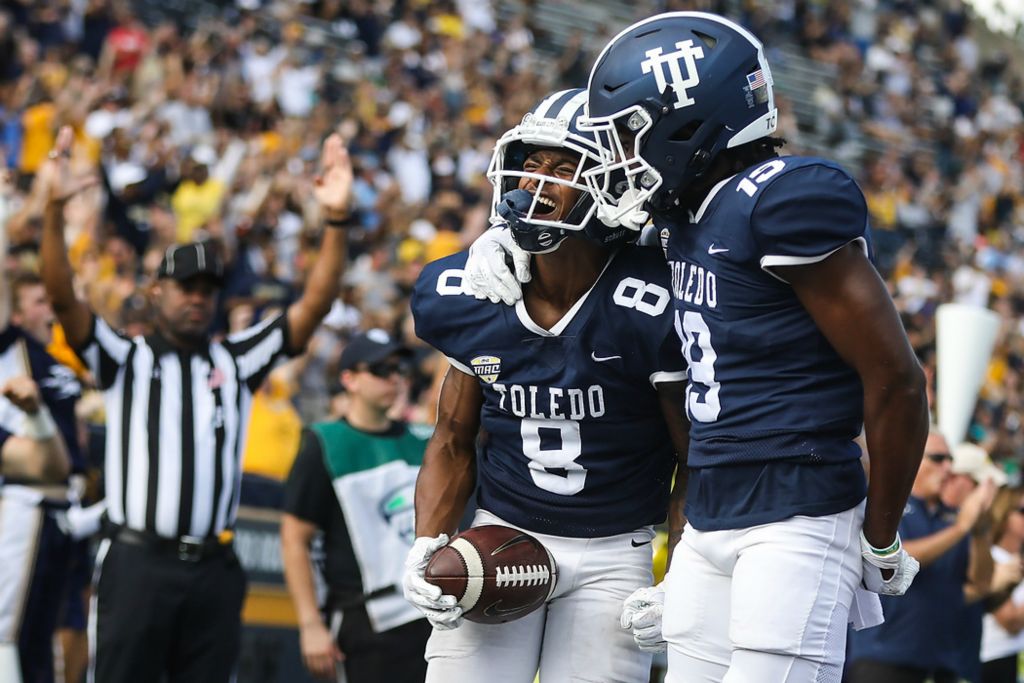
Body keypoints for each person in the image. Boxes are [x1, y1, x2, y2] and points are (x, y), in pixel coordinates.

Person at [463, 12, 930, 681]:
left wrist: (880, 532)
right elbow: (595, 242)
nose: (618, 158)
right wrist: (507, 238)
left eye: (627, 135)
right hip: (710, 509)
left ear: (688, 122)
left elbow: (897, 379)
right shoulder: (687, 213)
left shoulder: (782, 199)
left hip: (795, 507)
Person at [35, 126, 353, 683]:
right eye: (186, 287)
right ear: (156, 290)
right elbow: (63, 296)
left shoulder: (237, 359)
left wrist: (335, 221)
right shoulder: (125, 357)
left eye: (208, 289)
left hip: (214, 566)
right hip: (138, 563)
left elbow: (315, 305)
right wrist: (55, 211)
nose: (198, 299)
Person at [405, 89, 689, 682]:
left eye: (564, 169)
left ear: (611, 188)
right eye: (530, 165)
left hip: (615, 549)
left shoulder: (652, 300)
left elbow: (696, 461)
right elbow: (453, 437)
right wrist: (427, 540)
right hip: (501, 531)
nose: (537, 184)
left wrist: (681, 574)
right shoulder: (475, 289)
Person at [281, 329, 432, 682]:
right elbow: (293, 539)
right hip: (366, 617)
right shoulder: (325, 442)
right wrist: (310, 624)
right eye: (381, 369)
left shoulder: (425, 440)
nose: (394, 377)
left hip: (431, 613)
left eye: (399, 368)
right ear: (349, 378)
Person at [847, 430, 997, 682]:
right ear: (911, 457)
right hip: (883, 659)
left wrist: (980, 531)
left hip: (941, 664)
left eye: (950, 459)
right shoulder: (884, 503)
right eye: (938, 458)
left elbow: (981, 584)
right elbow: (894, 559)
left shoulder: (952, 515)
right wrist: (960, 529)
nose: (948, 467)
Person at [0, 267, 81, 683]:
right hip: (27, 502)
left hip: (64, 508)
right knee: (10, 634)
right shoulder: (12, 351)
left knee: (51, 631)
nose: (49, 310)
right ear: (16, 315)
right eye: (38, 302)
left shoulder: (56, 360)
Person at [981, 487, 1024, 683]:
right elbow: (1011, 621)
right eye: (1022, 512)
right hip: (994, 659)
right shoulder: (990, 559)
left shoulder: (1014, 559)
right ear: (1004, 516)